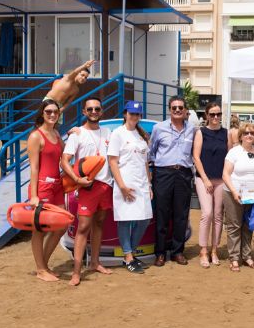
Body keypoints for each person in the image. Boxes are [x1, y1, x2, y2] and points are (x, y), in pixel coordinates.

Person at [61, 97, 113, 285]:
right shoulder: (77, 134)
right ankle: (76, 272)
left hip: (105, 185)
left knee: (99, 224)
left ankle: (94, 263)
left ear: (102, 111)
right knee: (83, 228)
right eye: (89, 109)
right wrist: (76, 180)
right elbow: (64, 160)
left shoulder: (108, 132)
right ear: (84, 111)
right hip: (87, 186)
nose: (93, 112)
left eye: (97, 108)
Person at [149, 96, 195, 267]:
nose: (177, 110)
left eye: (180, 107)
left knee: (181, 215)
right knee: (162, 214)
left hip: (183, 174)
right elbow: (151, 152)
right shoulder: (158, 128)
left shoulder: (192, 129)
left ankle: (177, 252)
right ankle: (160, 253)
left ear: (185, 110)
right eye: (174, 107)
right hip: (163, 173)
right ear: (169, 109)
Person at [107, 101, 153, 274]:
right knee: (125, 220)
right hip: (125, 183)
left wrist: (149, 185)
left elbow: (145, 163)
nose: (134, 116)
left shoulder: (141, 135)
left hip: (141, 184)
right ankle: (128, 257)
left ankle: (131, 252)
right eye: (131, 113)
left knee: (144, 219)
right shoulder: (118, 134)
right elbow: (112, 161)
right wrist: (122, 186)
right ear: (125, 113)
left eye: (137, 114)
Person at [26, 99, 65, 282]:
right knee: (39, 230)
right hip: (42, 188)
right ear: (42, 113)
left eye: (55, 112)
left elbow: (62, 157)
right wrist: (34, 195)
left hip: (57, 186)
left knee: (62, 226)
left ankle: (44, 265)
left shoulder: (57, 133)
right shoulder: (36, 136)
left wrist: (74, 132)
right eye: (48, 111)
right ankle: (41, 270)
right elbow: (34, 168)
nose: (52, 115)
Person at [222, 123, 254, 271]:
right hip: (234, 193)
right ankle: (235, 258)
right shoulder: (234, 152)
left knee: (249, 225)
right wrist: (234, 192)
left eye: (252, 133)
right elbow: (225, 174)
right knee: (234, 226)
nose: (249, 135)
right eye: (246, 133)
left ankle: (247, 256)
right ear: (241, 136)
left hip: (253, 194)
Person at [192, 102, 230, 268]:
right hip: (203, 179)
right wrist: (206, 179)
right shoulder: (201, 132)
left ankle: (214, 249)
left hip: (221, 179)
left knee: (217, 215)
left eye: (218, 114)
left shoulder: (226, 133)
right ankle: (203, 250)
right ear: (206, 116)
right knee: (206, 213)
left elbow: (229, 156)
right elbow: (196, 157)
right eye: (212, 114)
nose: (216, 117)